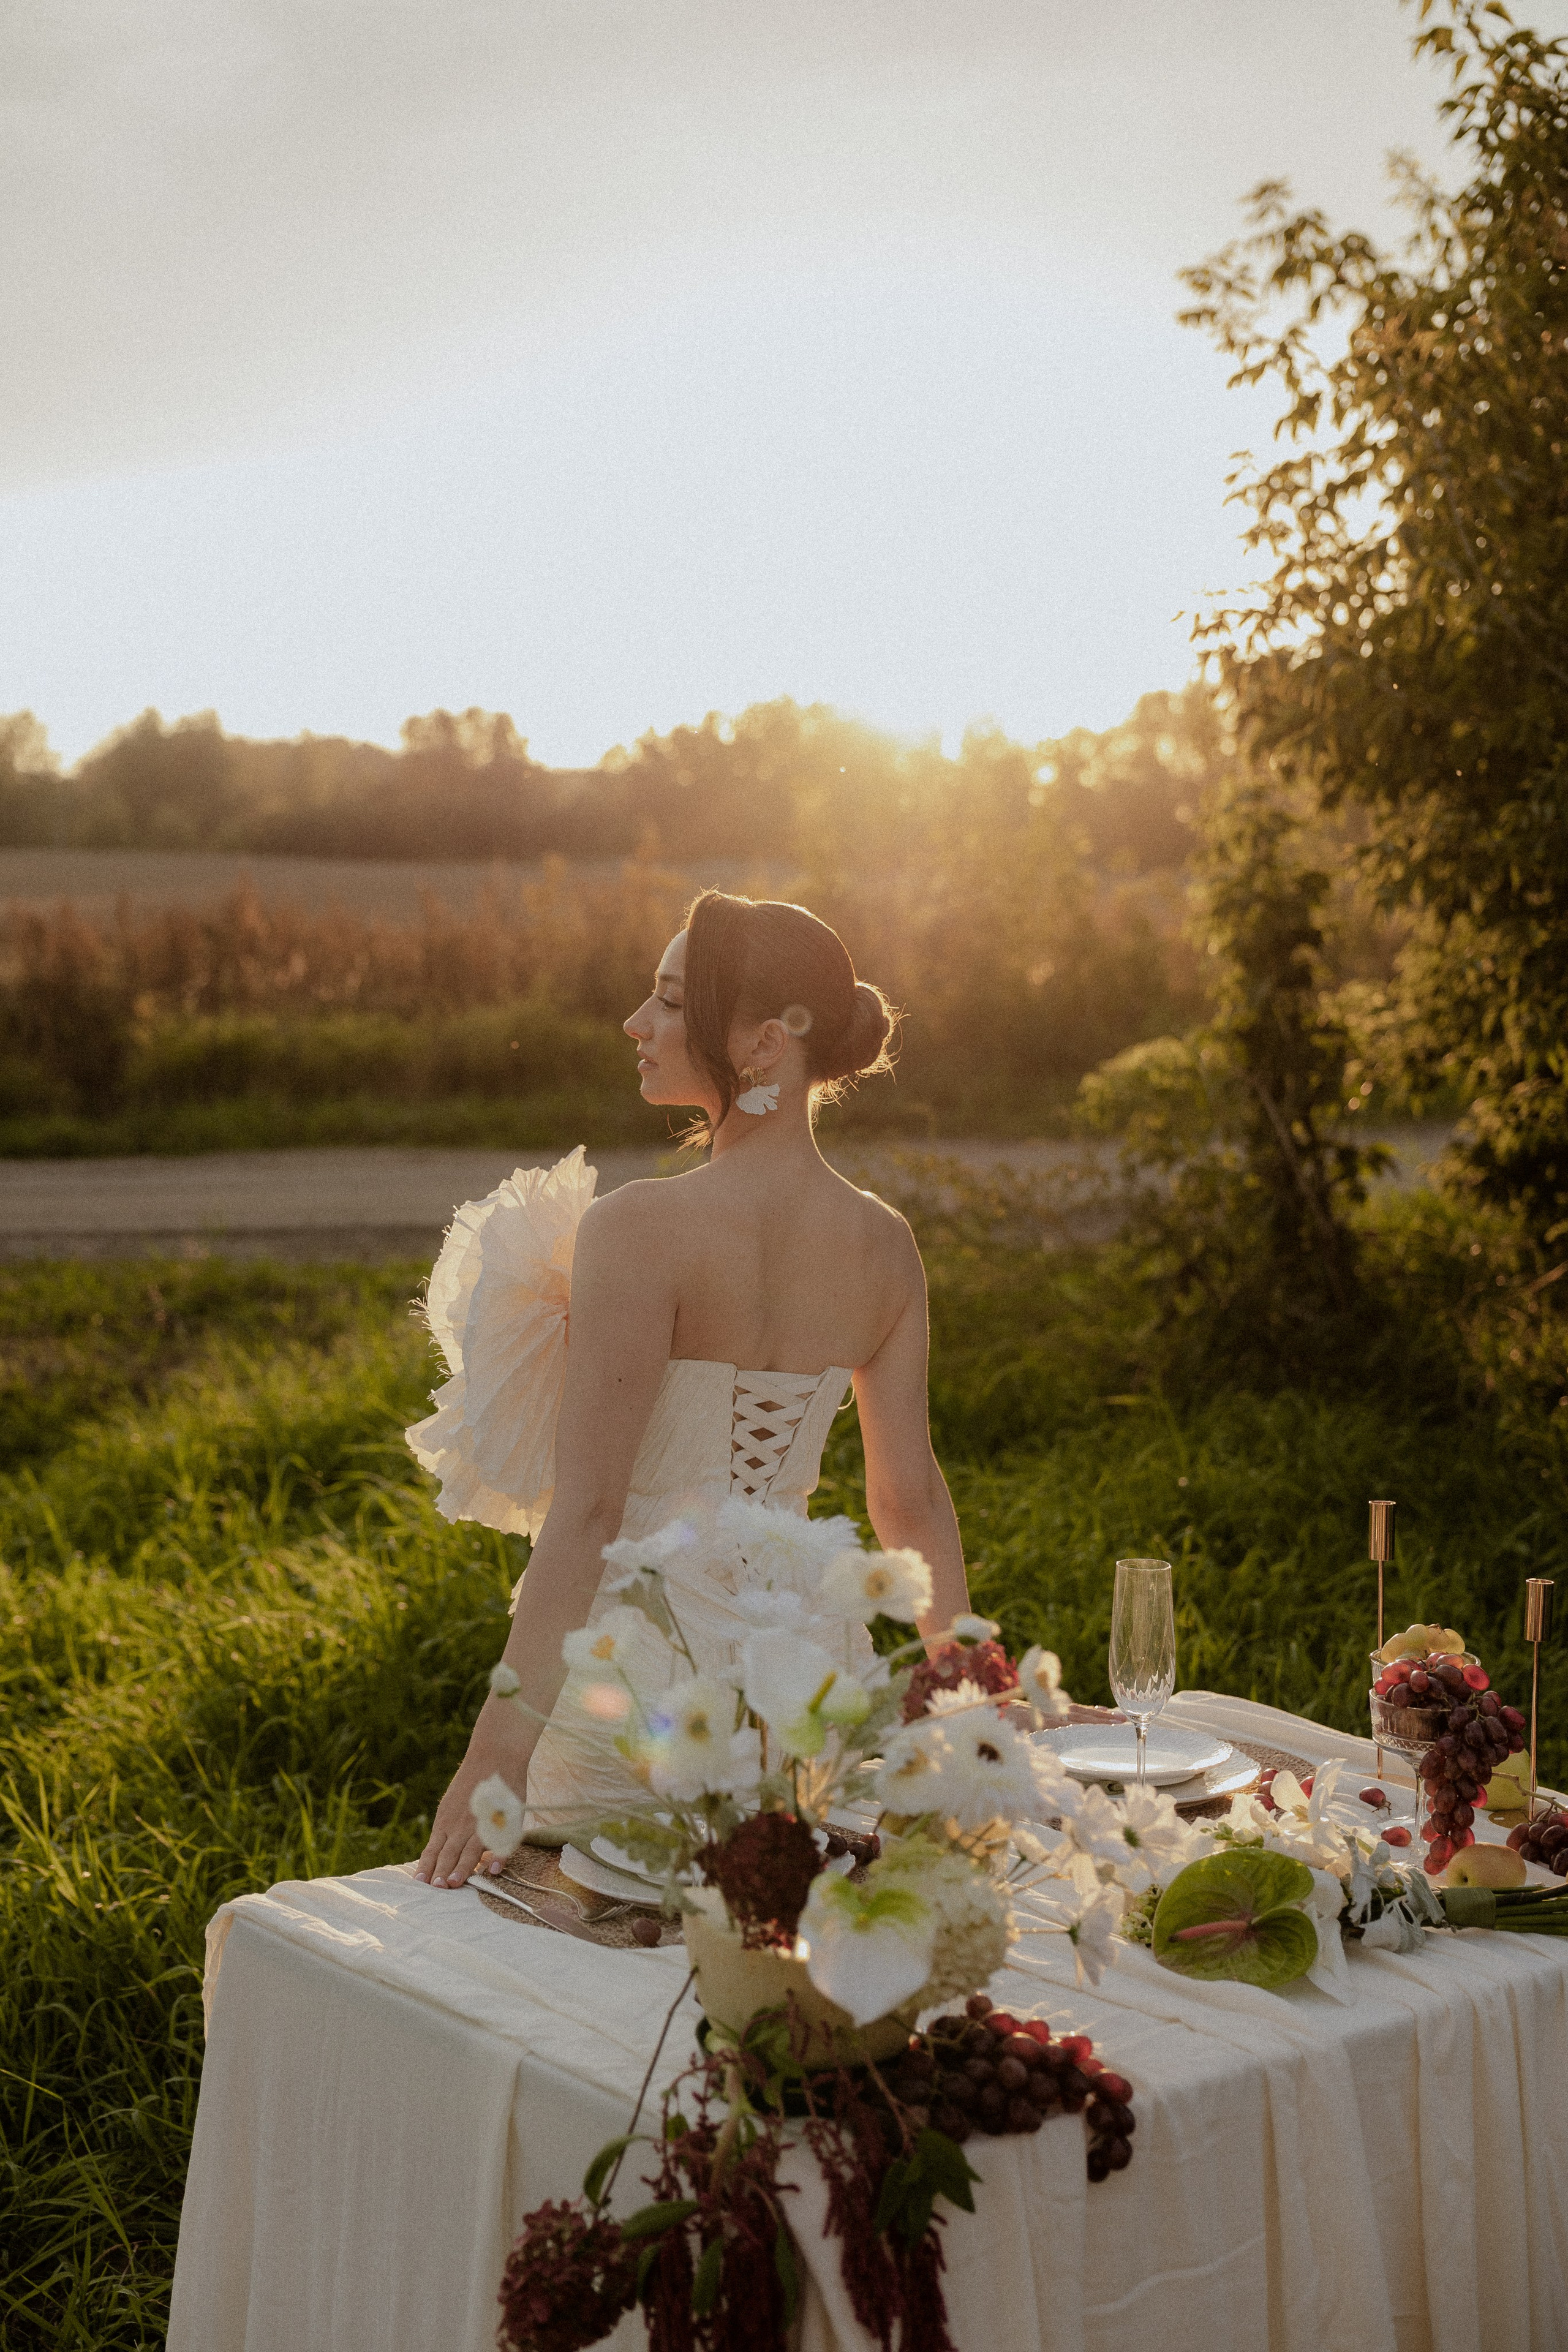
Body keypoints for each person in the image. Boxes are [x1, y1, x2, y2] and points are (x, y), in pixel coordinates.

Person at [412, 889, 970, 1891]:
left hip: (642, 1694)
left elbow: (585, 1515)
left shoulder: (636, 1231)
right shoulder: (884, 1246)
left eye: (670, 1000)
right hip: (802, 1689)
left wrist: (494, 1756)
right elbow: (910, 1502)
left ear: (762, 1043)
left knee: (596, 1941)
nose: (638, 1022)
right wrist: (974, 1693)